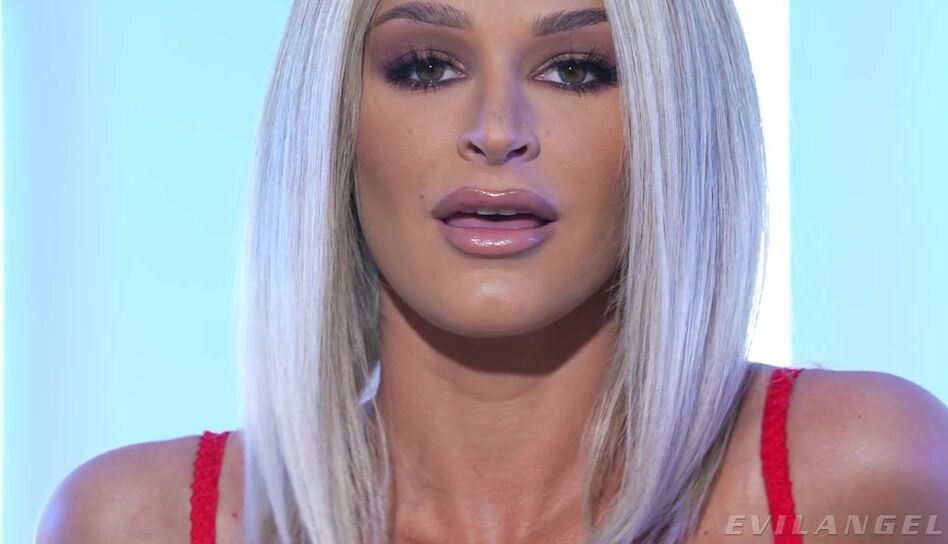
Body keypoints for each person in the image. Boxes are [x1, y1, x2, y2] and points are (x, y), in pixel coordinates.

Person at [36, 1, 948, 543]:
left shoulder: (860, 477)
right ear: (335, 118)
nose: (499, 130)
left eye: (577, 70)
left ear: (675, 117)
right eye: (427, 66)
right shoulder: (135, 523)